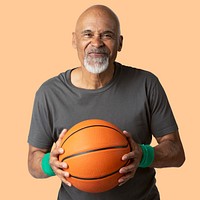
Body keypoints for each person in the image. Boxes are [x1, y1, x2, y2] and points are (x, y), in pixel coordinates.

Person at [27, 5, 185, 200]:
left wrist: (143, 155)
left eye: (107, 35)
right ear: (74, 40)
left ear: (119, 43)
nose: (96, 43)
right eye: (87, 34)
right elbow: (33, 162)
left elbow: (177, 153)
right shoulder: (49, 93)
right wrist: (48, 164)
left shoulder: (146, 84)